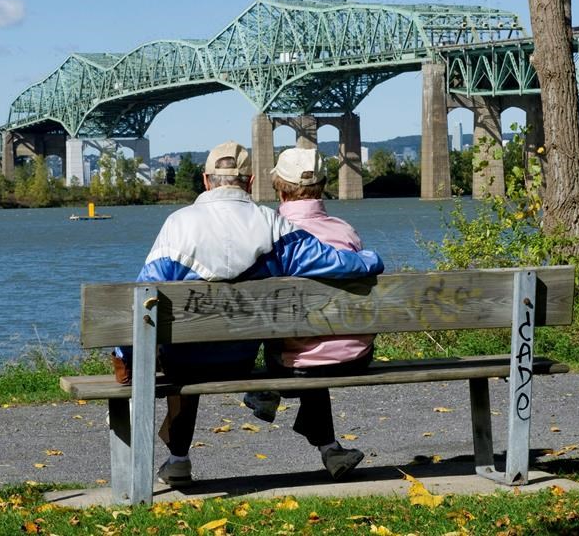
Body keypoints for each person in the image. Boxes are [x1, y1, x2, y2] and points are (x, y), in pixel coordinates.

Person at [112, 140, 383, 487]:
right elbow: (335, 263)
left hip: (183, 363)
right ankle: (326, 446)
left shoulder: (177, 226)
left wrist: (126, 356)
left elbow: (142, 302)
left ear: (206, 180)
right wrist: (371, 259)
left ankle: (178, 460)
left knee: (183, 350)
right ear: (251, 182)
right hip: (239, 359)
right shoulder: (273, 226)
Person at [243, 147, 376, 480]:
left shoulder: (271, 234)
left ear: (279, 188)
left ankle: (267, 392)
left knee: (297, 343)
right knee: (314, 343)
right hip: (356, 356)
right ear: (324, 185)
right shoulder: (346, 232)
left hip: (296, 363)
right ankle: (330, 449)